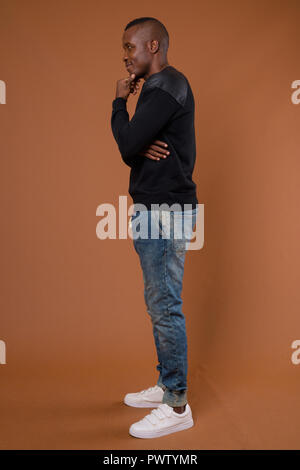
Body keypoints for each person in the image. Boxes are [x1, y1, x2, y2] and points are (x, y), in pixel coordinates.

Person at [111, 16, 199, 439]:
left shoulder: (166, 86)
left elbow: (127, 145)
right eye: (125, 48)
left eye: (131, 47)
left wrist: (117, 104)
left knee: (165, 307)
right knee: (158, 303)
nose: (126, 56)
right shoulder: (156, 90)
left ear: (155, 47)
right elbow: (134, 150)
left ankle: (177, 403)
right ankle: (167, 383)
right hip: (154, 207)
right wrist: (137, 142)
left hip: (165, 210)